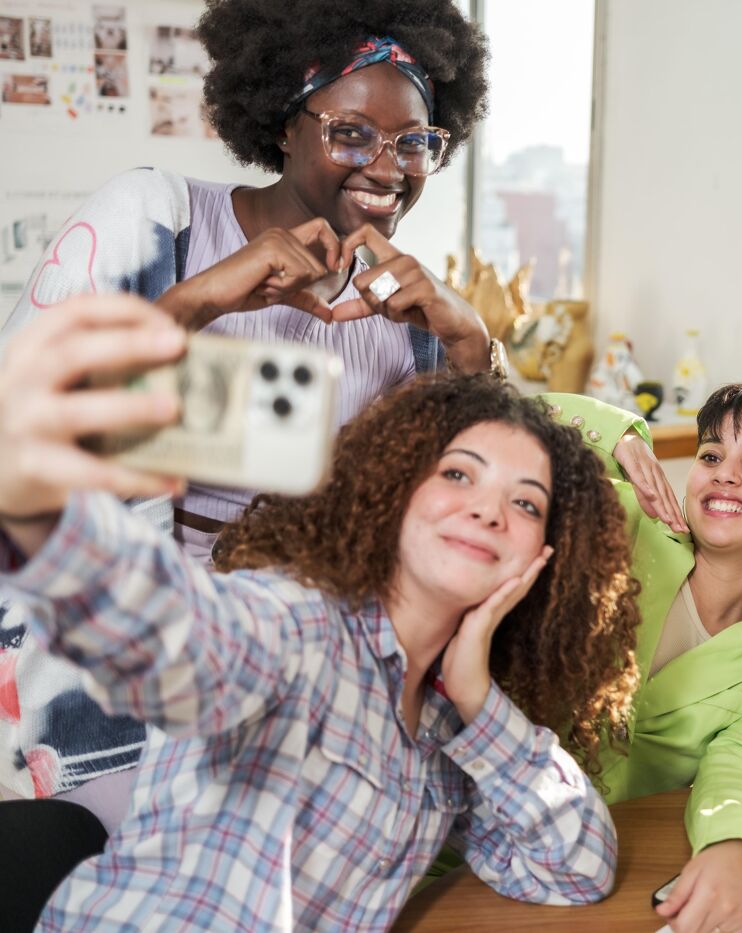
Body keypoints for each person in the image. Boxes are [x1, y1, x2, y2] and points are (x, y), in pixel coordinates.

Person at [0, 0, 493, 836]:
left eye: (415, 142)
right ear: (283, 122)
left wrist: (472, 345)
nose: (389, 166)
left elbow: (462, 506)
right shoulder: (159, 220)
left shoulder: (411, 314)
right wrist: (199, 300)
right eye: (350, 134)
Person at [0, 294, 639, 929]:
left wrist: (476, 697)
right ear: (395, 489)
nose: (488, 510)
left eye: (526, 504)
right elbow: (171, 636)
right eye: (457, 475)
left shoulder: (448, 727)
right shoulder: (300, 623)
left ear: (547, 558)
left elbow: (575, 866)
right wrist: (41, 513)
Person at [550, 385, 742, 933]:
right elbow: (500, 427)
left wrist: (738, 844)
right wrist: (620, 438)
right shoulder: (618, 524)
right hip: (457, 835)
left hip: (613, 878)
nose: (724, 473)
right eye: (710, 456)